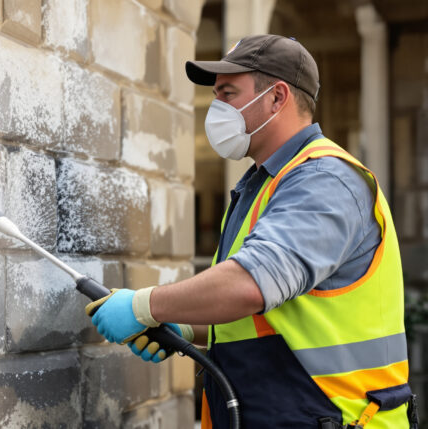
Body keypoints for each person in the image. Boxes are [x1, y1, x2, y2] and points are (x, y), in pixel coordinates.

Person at [86, 35, 416, 428]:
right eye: (215, 95)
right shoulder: (262, 186)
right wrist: (185, 325)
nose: (216, 108)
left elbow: (251, 285)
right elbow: (270, 317)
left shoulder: (325, 179)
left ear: (277, 97)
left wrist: (145, 305)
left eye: (228, 93)